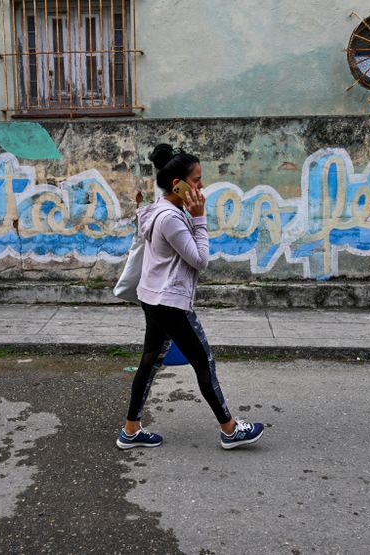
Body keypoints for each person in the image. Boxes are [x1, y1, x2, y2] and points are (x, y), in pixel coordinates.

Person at [117, 144, 264, 451]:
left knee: (149, 362)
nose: (201, 186)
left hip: (153, 297)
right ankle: (230, 429)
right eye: (196, 180)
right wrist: (199, 218)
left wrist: (191, 212)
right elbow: (200, 260)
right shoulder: (172, 217)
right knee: (203, 364)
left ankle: (130, 431)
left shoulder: (160, 207)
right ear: (178, 184)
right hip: (170, 303)